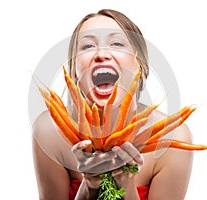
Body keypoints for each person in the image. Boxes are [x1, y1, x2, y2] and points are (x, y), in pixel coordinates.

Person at [32, 9, 193, 200]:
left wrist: (125, 184)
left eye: (116, 43)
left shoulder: (174, 137)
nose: (101, 54)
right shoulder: (49, 131)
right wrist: (90, 184)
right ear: (74, 72)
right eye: (87, 46)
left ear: (139, 64)